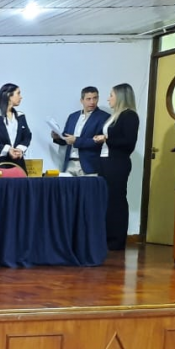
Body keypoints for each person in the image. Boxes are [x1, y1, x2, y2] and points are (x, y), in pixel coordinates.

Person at [94, 83, 140, 251]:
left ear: (120, 97)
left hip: (117, 163)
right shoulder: (115, 116)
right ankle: (105, 237)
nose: (108, 98)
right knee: (105, 200)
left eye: (111, 95)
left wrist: (106, 139)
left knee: (116, 200)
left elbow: (129, 142)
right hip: (105, 161)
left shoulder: (130, 116)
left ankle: (117, 240)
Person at [51, 87, 110, 176]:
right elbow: (67, 138)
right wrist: (58, 137)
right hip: (69, 163)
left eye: (95, 98)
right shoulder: (73, 117)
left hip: (90, 165)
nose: (92, 102)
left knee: (88, 190)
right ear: (81, 100)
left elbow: (99, 141)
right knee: (68, 189)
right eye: (88, 99)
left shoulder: (104, 117)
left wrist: (76, 141)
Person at [0, 83, 32, 172]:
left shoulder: (20, 116)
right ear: (8, 95)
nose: (21, 97)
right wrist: (7, 149)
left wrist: (20, 149)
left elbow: (27, 136)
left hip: (17, 165)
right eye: (18, 93)